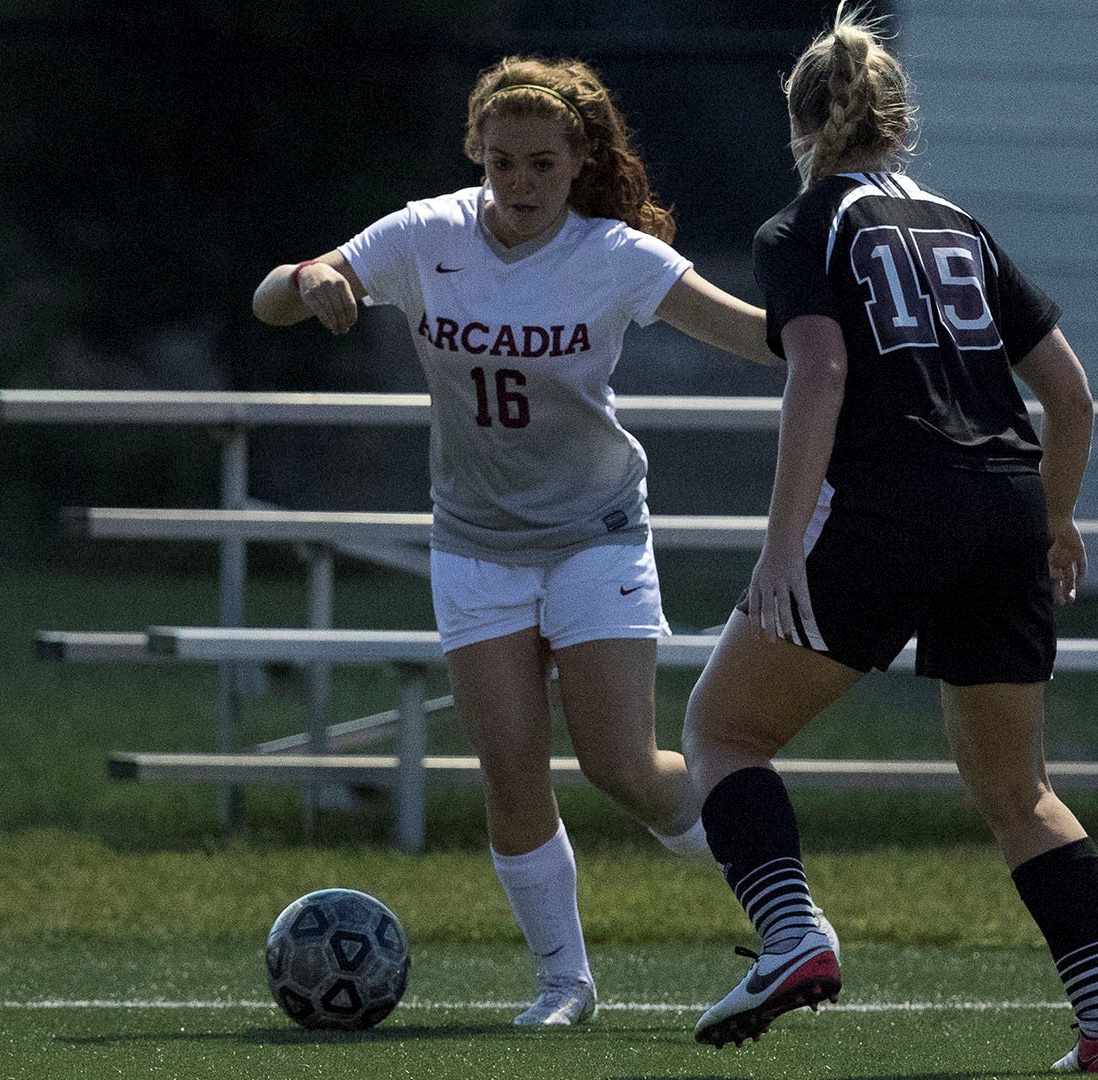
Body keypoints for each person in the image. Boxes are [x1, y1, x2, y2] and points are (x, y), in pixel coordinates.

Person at [252, 55, 780, 1026]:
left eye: (542, 164)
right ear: (477, 156)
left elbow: (758, 336)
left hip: (596, 531)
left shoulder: (615, 255)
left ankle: (786, 913)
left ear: (580, 160)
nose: (522, 184)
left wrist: (857, 329)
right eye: (503, 164)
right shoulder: (426, 234)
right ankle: (564, 984)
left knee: (623, 766)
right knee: (512, 771)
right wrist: (309, 277)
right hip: (476, 541)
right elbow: (274, 299)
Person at [680, 9, 1098, 1073]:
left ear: (799, 123)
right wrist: (1058, 518)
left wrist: (783, 539)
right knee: (1017, 793)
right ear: (899, 121)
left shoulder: (803, 228)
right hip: (1004, 504)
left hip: (897, 498)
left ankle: (794, 935)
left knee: (723, 732)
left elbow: (820, 372)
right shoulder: (960, 224)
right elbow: (1069, 396)